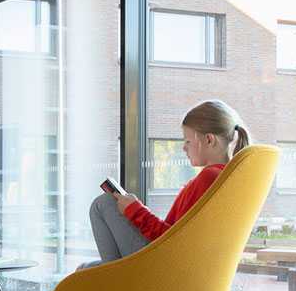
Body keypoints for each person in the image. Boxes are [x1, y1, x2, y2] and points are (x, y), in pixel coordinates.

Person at [86, 100, 251, 266]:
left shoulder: (209, 178)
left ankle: (117, 280)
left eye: (188, 141)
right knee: (87, 270)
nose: (184, 148)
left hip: (166, 265)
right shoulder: (226, 178)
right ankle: (114, 277)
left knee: (104, 203)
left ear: (209, 140)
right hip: (176, 263)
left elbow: (174, 242)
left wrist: (134, 210)